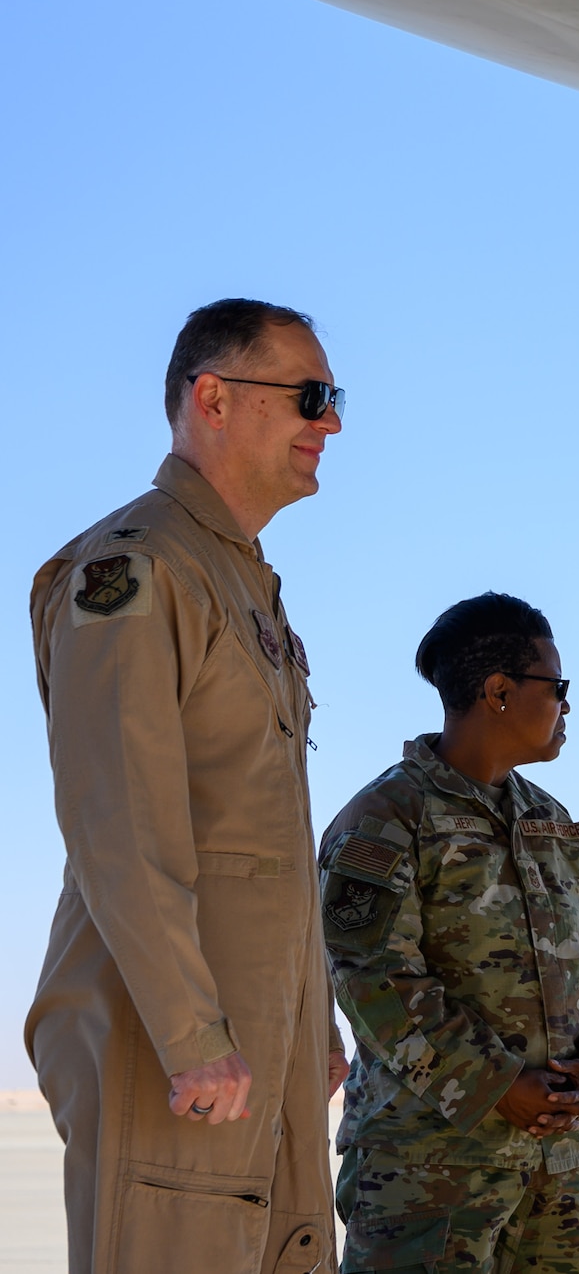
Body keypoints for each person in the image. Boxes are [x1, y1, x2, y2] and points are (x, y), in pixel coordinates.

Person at [26, 298, 346, 1274]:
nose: (331, 422)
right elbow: (119, 817)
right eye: (309, 395)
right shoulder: (134, 567)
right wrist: (190, 1031)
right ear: (212, 397)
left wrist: (313, 1009)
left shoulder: (241, 582)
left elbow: (260, 842)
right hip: (174, 1053)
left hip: (258, 1052)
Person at [320, 592, 579, 1272]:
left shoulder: (552, 822)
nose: (567, 706)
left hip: (557, 1179)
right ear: (498, 691)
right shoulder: (385, 818)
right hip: (429, 1179)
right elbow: (376, 982)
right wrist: (498, 1084)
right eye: (557, 686)